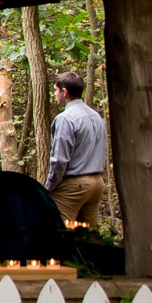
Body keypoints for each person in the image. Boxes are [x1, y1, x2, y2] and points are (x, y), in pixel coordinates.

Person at [45, 70, 107, 226]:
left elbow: (59, 160)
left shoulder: (65, 119)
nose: (55, 94)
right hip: (96, 183)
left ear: (64, 92)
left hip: (74, 185)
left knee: (55, 232)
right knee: (89, 237)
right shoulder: (96, 116)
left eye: (55, 90)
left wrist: (48, 188)